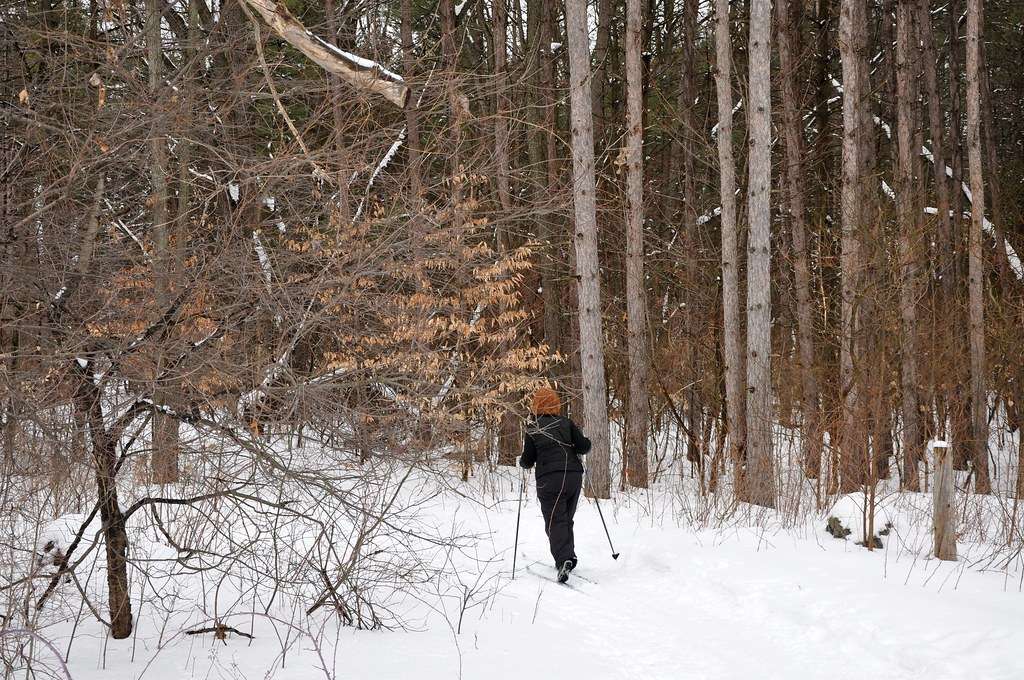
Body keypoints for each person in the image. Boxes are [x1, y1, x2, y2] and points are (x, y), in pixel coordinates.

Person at [518, 387, 591, 583]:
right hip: (573, 477)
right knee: (566, 518)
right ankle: (569, 556)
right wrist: (585, 441)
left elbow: (528, 459)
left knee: (555, 521)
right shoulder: (566, 423)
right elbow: (584, 447)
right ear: (556, 403)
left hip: (549, 479)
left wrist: (523, 463)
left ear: (536, 405)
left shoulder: (534, 427)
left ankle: (564, 559)